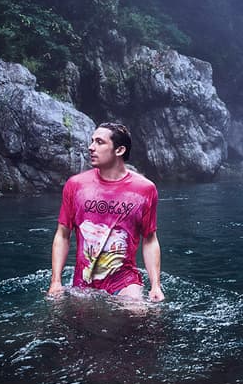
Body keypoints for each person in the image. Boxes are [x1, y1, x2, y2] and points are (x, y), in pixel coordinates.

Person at [47, 122, 164, 302]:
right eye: (92, 141)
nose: (91, 147)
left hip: (124, 281)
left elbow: (149, 239)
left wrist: (156, 285)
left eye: (99, 142)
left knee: (139, 314)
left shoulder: (145, 189)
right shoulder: (75, 185)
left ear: (119, 150)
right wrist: (56, 281)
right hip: (83, 283)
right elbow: (63, 235)